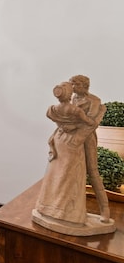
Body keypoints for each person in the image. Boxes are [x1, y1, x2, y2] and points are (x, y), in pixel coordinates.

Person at [36, 82, 94, 224]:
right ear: (69, 94)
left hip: (59, 138)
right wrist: (76, 125)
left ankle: (48, 205)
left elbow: (54, 119)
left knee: (55, 172)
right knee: (69, 175)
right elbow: (90, 123)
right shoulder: (75, 110)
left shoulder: (52, 109)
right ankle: (66, 212)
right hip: (71, 142)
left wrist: (63, 125)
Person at [69, 74, 109, 223]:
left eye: (75, 84)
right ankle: (75, 209)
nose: (72, 87)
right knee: (72, 172)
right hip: (73, 137)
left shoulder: (94, 100)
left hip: (87, 138)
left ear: (84, 86)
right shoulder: (74, 98)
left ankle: (105, 209)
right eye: (71, 84)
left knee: (93, 172)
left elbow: (91, 122)